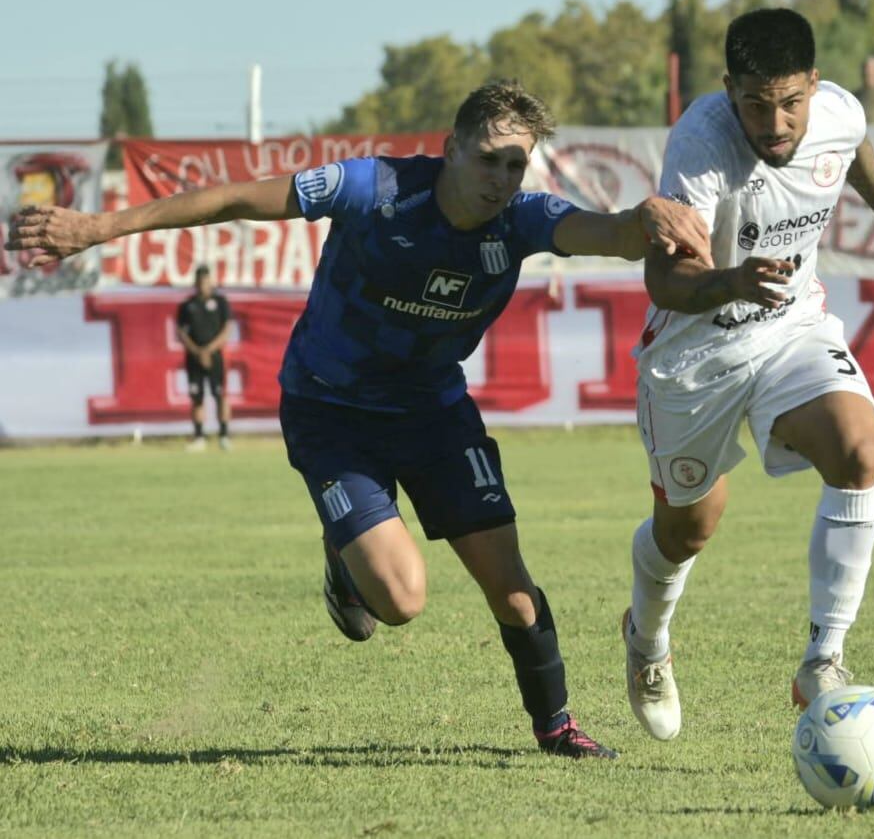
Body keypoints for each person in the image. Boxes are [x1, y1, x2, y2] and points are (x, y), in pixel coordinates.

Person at [6, 80, 711, 760]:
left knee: (513, 588)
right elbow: (233, 199)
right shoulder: (372, 188)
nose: (500, 176)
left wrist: (645, 217)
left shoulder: (522, 219)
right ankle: (344, 556)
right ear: (451, 148)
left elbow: (610, 235)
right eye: (488, 157)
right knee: (401, 601)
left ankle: (557, 728)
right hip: (330, 410)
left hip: (433, 410)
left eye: (515, 163)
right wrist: (101, 225)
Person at [620, 8, 874, 742]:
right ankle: (646, 638)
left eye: (791, 102)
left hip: (791, 328)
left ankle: (825, 656)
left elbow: (852, 146)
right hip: (696, 356)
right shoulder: (700, 144)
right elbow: (664, 281)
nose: (776, 122)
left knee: (859, 449)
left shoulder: (838, 112)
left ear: (814, 87)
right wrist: (730, 281)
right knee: (688, 529)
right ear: (730, 90)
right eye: (756, 104)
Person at [177, 264, 233, 451]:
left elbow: (226, 330)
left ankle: (224, 436)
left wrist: (208, 350)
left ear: (211, 281)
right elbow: (181, 332)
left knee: (220, 395)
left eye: (206, 281)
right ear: (195, 282)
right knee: (197, 397)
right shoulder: (187, 305)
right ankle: (199, 436)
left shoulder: (221, 302)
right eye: (200, 281)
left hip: (215, 356)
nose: (203, 285)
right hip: (194, 357)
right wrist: (197, 351)